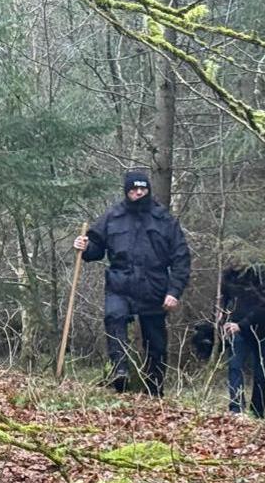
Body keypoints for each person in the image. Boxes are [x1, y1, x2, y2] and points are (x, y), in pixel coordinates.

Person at [74, 169, 191, 396]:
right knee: (113, 318)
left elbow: (181, 258)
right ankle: (120, 371)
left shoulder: (164, 219)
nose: (139, 192)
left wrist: (174, 291)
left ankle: (155, 390)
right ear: (127, 191)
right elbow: (96, 248)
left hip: (154, 287)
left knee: (155, 343)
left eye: (143, 188)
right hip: (120, 284)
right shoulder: (112, 216)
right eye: (134, 189)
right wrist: (84, 246)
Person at [219, 261, 265, 418]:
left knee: (260, 372)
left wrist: (242, 324)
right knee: (235, 366)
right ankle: (236, 409)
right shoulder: (229, 275)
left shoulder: (264, 274)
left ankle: (257, 412)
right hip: (237, 328)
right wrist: (223, 315)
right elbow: (225, 297)